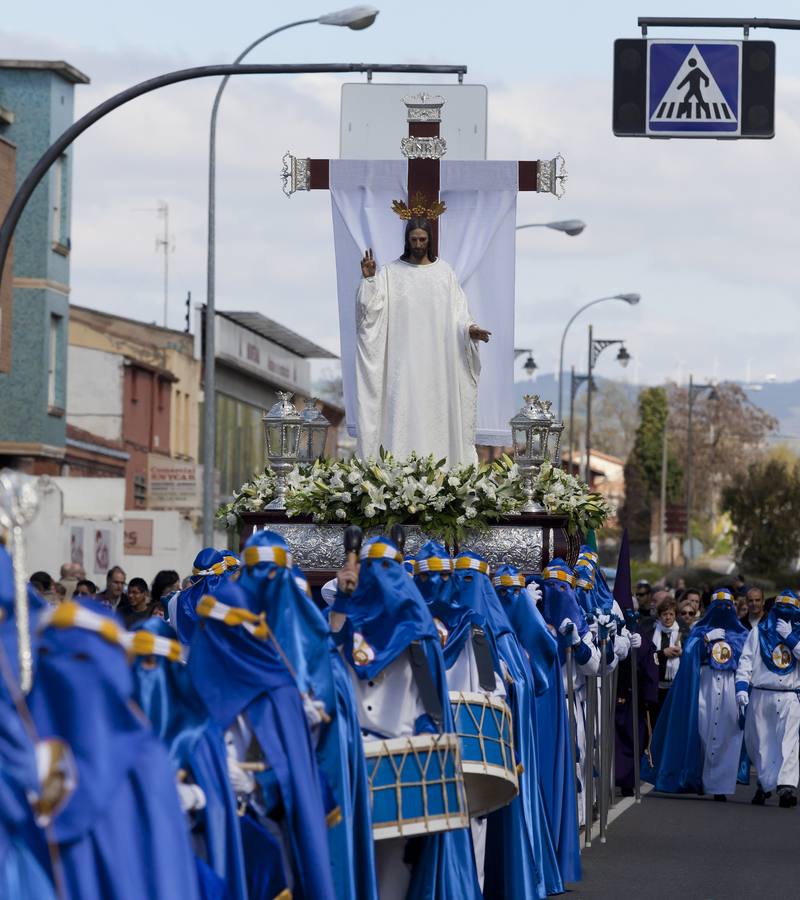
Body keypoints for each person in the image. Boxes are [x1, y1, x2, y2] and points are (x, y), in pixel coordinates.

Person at [333, 534, 482, 900]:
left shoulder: (418, 636)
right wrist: (343, 599)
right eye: (372, 570)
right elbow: (321, 657)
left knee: (393, 872)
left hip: (400, 765)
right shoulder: (342, 627)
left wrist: (429, 759)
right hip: (346, 763)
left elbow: (431, 710)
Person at [27, 599, 200, 899]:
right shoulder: (17, 756)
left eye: (81, 658)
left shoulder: (143, 762)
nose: (64, 672)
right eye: (48, 655)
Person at [238, 531, 378, 900]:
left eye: (270, 575)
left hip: (301, 777)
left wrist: (344, 603)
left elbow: (325, 666)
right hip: (239, 780)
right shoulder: (229, 629)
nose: (260, 587)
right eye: (253, 574)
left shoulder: (306, 636)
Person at [356, 216, 491, 466]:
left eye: (423, 239)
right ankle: (396, 473)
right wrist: (369, 281)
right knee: (402, 412)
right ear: (407, 240)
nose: (418, 244)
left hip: (437, 365)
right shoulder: (390, 273)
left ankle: (442, 474)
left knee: (436, 414)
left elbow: (459, 314)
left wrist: (470, 330)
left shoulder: (444, 273)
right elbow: (371, 313)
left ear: (430, 241)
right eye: (414, 239)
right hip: (402, 362)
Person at [642, 588, 747, 800]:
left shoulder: (741, 634)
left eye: (727, 607)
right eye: (718, 607)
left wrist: (743, 689)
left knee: (727, 735)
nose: (723, 611)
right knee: (703, 731)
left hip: (729, 684)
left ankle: (720, 786)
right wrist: (705, 640)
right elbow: (689, 654)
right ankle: (700, 778)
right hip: (705, 683)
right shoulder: (701, 629)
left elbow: (746, 661)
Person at [735, 590, 800, 808]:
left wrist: (791, 638)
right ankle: (764, 783)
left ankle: (786, 787)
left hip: (789, 697)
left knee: (788, 744)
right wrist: (741, 687)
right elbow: (745, 660)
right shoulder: (758, 633)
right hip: (761, 695)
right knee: (761, 744)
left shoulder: (797, 633)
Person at [651, 596, 682, 718]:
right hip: (657, 686)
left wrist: (683, 652)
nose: (668, 617)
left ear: (675, 615)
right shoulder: (653, 631)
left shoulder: (682, 632)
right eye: (664, 614)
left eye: (671, 614)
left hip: (675, 686)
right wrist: (663, 653)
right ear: (659, 616)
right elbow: (649, 656)